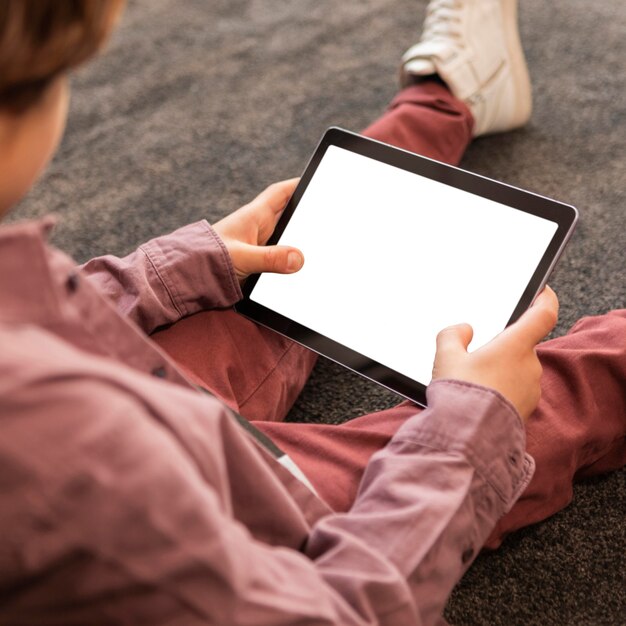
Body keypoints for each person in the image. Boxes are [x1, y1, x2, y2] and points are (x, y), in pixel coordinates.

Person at [0, 0, 623, 623]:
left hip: (101, 406)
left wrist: (173, 267)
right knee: (499, 413)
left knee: (305, 240)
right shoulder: (59, 457)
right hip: (171, 497)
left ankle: (449, 96)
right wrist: (468, 435)